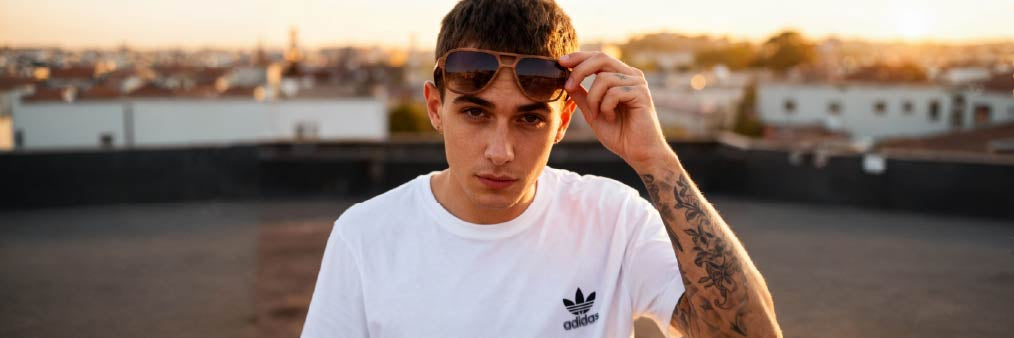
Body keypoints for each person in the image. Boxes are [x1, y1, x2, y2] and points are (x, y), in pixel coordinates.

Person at [301, 0, 781, 337]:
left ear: (564, 121)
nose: (501, 150)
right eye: (475, 112)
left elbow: (750, 335)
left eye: (530, 118)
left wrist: (656, 158)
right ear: (434, 106)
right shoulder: (365, 236)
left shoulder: (614, 219)